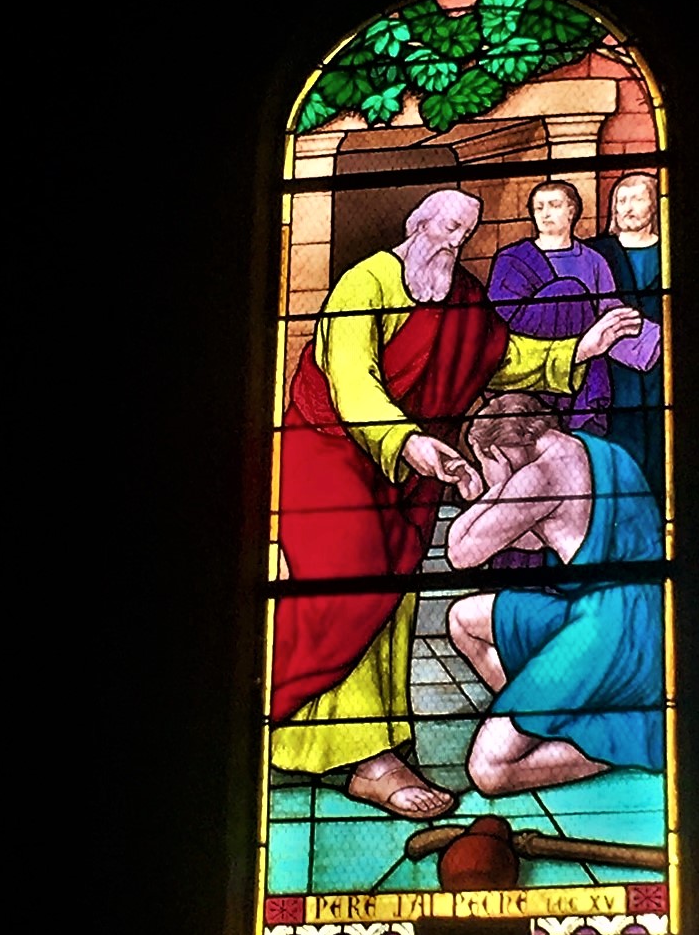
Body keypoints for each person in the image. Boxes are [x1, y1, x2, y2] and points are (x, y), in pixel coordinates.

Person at [270, 189, 645, 819]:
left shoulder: (464, 298)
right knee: (345, 586)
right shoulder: (365, 284)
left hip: (409, 468)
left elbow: (502, 356)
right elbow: (352, 380)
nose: (455, 242)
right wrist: (408, 441)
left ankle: (370, 751)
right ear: (417, 224)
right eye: (447, 227)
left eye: (465, 233)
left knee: (392, 594)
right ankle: (334, 744)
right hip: (333, 456)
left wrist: (580, 347)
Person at [446, 393, 664, 796]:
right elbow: (529, 537)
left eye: (485, 460)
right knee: (465, 619)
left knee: (488, 769)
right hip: (622, 614)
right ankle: (544, 716)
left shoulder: (543, 473)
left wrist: (496, 485)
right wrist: (495, 492)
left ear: (500, 450)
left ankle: (614, 741)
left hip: (612, 633)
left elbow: (460, 552)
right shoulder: (593, 451)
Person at [486, 179, 660, 439]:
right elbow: (499, 321)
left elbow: (608, 312)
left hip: (584, 375)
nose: (545, 213)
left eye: (554, 205)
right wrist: (564, 303)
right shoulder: (512, 259)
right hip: (531, 375)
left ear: (572, 211)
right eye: (539, 207)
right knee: (568, 290)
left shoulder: (593, 260)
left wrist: (650, 339)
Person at [586, 172, 664, 498]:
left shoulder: (673, 249)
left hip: (664, 378)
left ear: (655, 205)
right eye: (621, 200)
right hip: (613, 379)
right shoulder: (596, 252)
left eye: (637, 199)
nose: (627, 207)